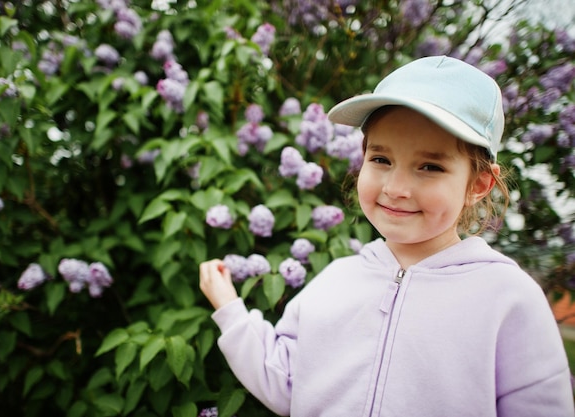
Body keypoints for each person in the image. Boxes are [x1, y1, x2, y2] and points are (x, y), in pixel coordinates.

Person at [198, 56, 575, 417]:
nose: (395, 188)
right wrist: (230, 309)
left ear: (478, 184)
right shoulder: (335, 281)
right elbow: (285, 383)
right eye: (381, 160)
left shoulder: (508, 299)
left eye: (429, 166)